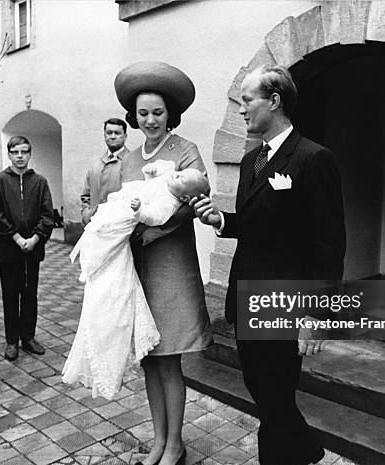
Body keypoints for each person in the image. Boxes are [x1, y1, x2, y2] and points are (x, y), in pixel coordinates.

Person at [192, 64, 346, 465]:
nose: (242, 109)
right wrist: (221, 220)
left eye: (247, 100)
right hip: (249, 300)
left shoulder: (314, 159)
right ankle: (307, 451)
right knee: (263, 392)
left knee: (275, 397)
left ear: (274, 101)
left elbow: (329, 245)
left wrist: (316, 315)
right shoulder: (250, 162)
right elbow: (258, 225)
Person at [114, 61, 213, 465]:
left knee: (168, 357)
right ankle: (157, 440)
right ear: (133, 117)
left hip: (170, 265)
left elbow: (194, 202)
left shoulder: (185, 150)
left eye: (157, 112)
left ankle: (175, 444)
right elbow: (123, 206)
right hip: (136, 266)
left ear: (169, 113)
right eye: (142, 113)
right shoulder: (128, 158)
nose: (150, 120)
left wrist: (155, 229)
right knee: (147, 361)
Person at [63, 160, 210, 399]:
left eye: (182, 179)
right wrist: (150, 174)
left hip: (145, 240)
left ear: (185, 198)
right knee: (101, 229)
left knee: (168, 363)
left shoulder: (171, 202)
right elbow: (154, 179)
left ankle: (92, 257)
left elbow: (154, 217)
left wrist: (140, 212)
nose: (176, 177)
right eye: (179, 175)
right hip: (129, 231)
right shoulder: (162, 176)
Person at [0, 136, 54, 361]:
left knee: (29, 293)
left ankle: (28, 337)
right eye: (15, 152)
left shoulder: (40, 182)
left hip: (32, 248)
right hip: (9, 247)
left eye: (24, 152)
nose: (20, 156)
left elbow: (47, 214)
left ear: (29, 154)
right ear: (9, 154)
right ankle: (11, 340)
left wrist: (35, 238)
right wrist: (16, 237)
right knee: (10, 293)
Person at [80, 117, 129, 226]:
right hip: (93, 226)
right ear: (104, 136)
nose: (112, 136)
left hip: (119, 228)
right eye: (109, 133)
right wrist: (86, 215)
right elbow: (86, 196)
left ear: (125, 136)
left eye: (117, 133)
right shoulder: (96, 164)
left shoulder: (131, 162)